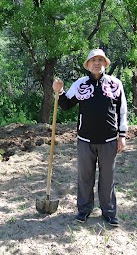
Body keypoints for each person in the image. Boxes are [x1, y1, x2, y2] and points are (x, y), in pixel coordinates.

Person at [52, 49, 128, 227]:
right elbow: (66, 104)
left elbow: (122, 111)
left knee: (107, 178)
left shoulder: (115, 84)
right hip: (85, 140)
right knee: (85, 177)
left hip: (109, 140)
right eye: (93, 60)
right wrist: (60, 91)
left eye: (100, 60)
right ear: (87, 65)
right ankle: (84, 210)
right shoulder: (80, 84)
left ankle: (109, 212)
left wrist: (122, 135)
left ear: (105, 64)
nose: (97, 63)